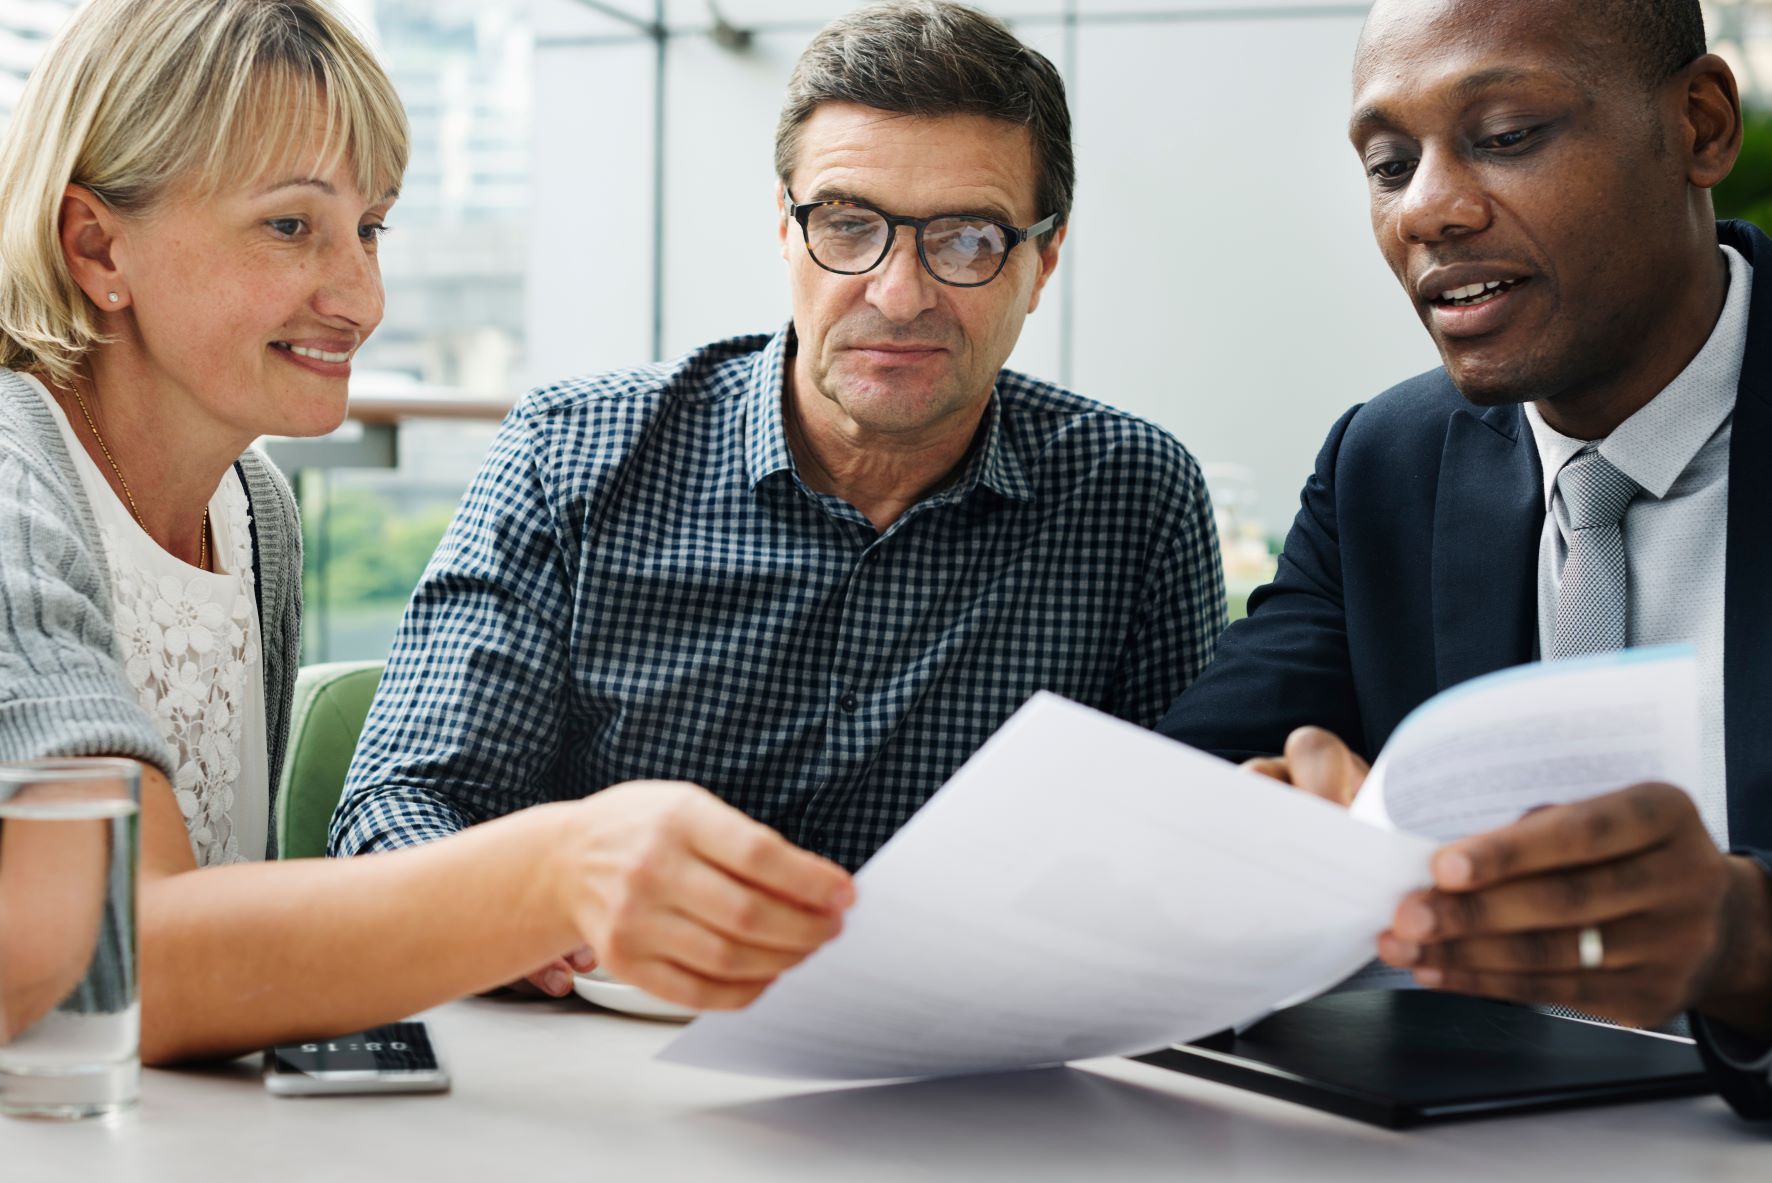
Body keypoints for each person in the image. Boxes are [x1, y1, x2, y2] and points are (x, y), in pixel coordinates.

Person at [0, 0, 851, 1065]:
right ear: (95, 245)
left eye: (370, 228)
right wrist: (556, 866)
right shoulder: (15, 490)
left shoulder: (252, 510)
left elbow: (228, 956)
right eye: (288, 225)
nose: (362, 297)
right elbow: (119, 962)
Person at [330, 0, 1225, 996]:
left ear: (1039, 260)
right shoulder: (571, 452)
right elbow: (399, 810)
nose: (897, 293)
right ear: (785, 228)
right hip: (602, 1059)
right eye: (849, 224)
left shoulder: (1132, 496)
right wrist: (538, 924)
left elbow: (1172, 867)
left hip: (957, 1080)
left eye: (966, 240)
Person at [1159, 0, 1772, 1120]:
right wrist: (1245, 843)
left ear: (1697, 126)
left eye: (1504, 135)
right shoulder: (1381, 460)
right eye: (1388, 163)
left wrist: (1745, 944)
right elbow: (1166, 804)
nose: (1427, 210)